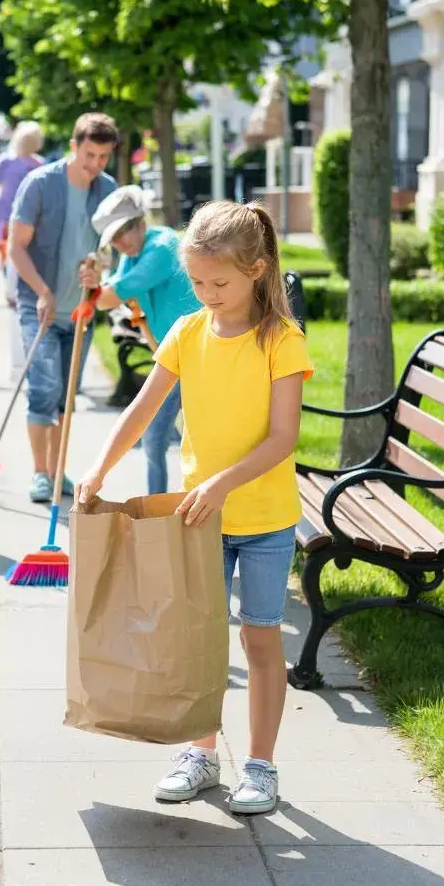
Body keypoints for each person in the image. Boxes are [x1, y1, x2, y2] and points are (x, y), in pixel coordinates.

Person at [76, 200, 313, 815]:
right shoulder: (187, 332)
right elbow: (142, 409)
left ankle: (260, 767)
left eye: (219, 283)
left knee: (260, 640)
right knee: (197, 639)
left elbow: (283, 439)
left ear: (257, 271)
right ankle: (200, 754)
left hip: (261, 520)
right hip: (196, 522)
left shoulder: (281, 341)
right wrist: (100, 465)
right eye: (199, 283)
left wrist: (222, 484)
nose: (206, 294)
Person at [9, 112, 118, 503]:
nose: (95, 165)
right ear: (74, 146)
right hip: (38, 306)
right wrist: (41, 290)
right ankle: (41, 474)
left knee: (64, 398)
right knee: (43, 390)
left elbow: (112, 252)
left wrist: (99, 273)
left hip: (80, 312)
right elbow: (16, 246)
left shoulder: (107, 190)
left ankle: (57, 473)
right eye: (89, 154)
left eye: (103, 157)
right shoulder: (40, 184)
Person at [90, 185, 201, 494]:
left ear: (140, 223)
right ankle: (161, 510)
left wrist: (93, 288)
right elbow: (109, 289)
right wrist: (95, 283)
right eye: (113, 238)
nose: (119, 243)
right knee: (156, 437)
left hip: (198, 353)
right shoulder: (135, 253)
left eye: (122, 232)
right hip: (173, 355)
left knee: (189, 439)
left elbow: (110, 296)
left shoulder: (162, 249)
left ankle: (189, 512)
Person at [0, 121, 45, 266]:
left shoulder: (4, 161)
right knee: (25, 248)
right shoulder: (40, 164)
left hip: (6, 211)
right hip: (31, 212)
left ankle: (8, 271)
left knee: (5, 245)